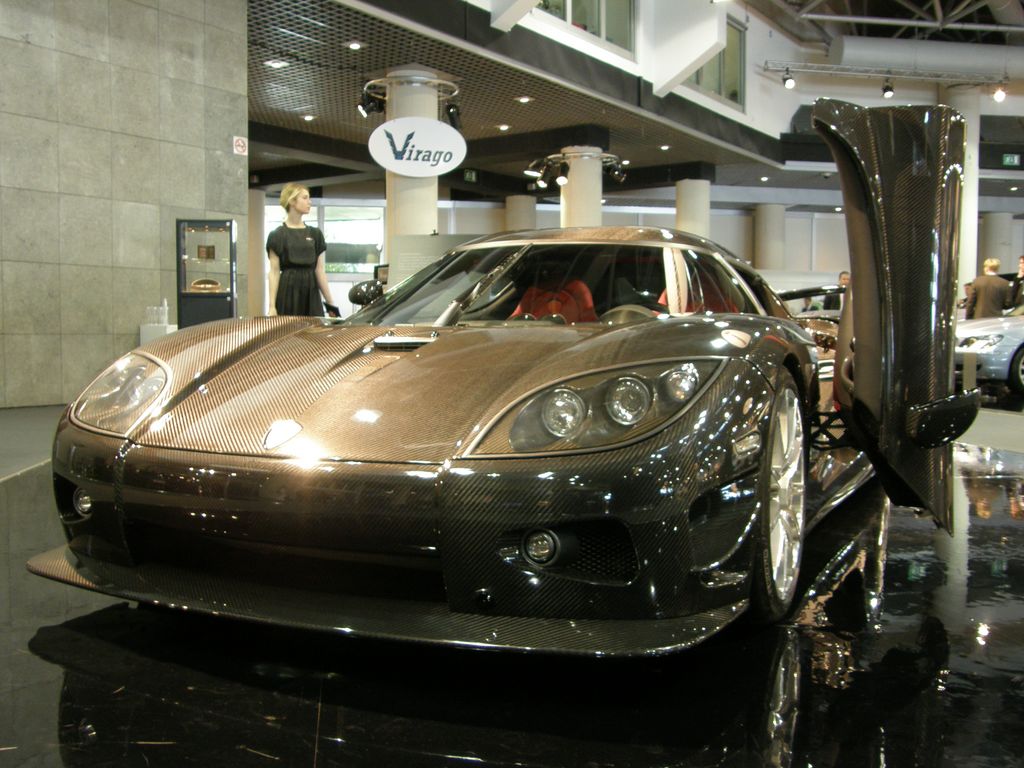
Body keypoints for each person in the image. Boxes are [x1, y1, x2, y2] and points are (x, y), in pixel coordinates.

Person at [266, 183, 338, 317]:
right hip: (287, 292)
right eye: (305, 198)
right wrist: (272, 306)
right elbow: (274, 272)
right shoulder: (277, 235)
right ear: (292, 201)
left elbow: (319, 271)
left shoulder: (315, 234)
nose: (309, 202)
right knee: (287, 328)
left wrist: (330, 303)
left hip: (311, 292)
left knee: (314, 328)